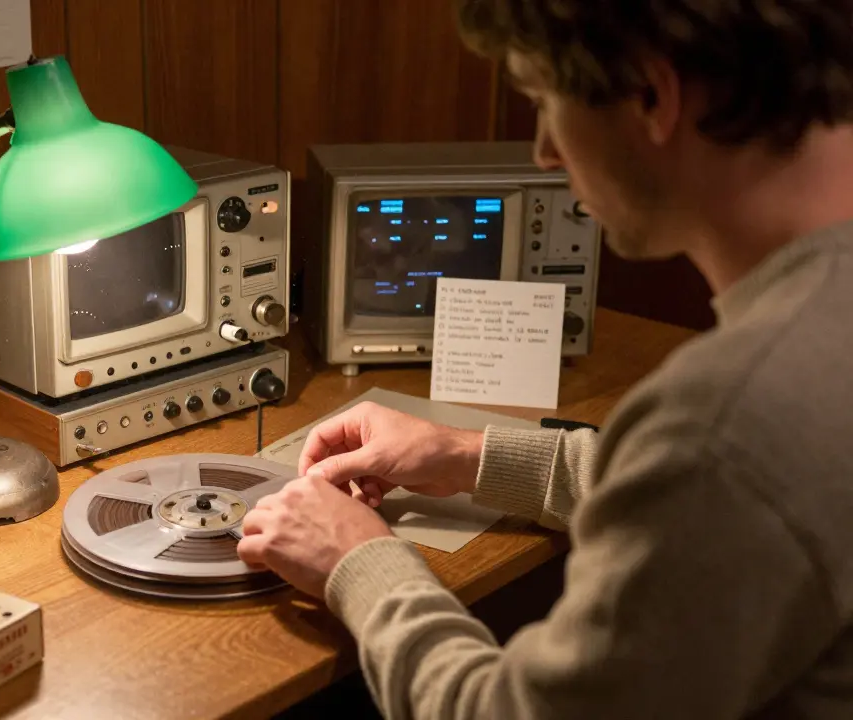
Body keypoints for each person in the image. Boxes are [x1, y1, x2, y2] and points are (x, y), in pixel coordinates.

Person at [237, 1, 853, 718]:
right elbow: (732, 501)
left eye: (541, 102)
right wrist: (470, 455)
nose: (544, 154)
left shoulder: (723, 424)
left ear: (651, 95)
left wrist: (356, 560)